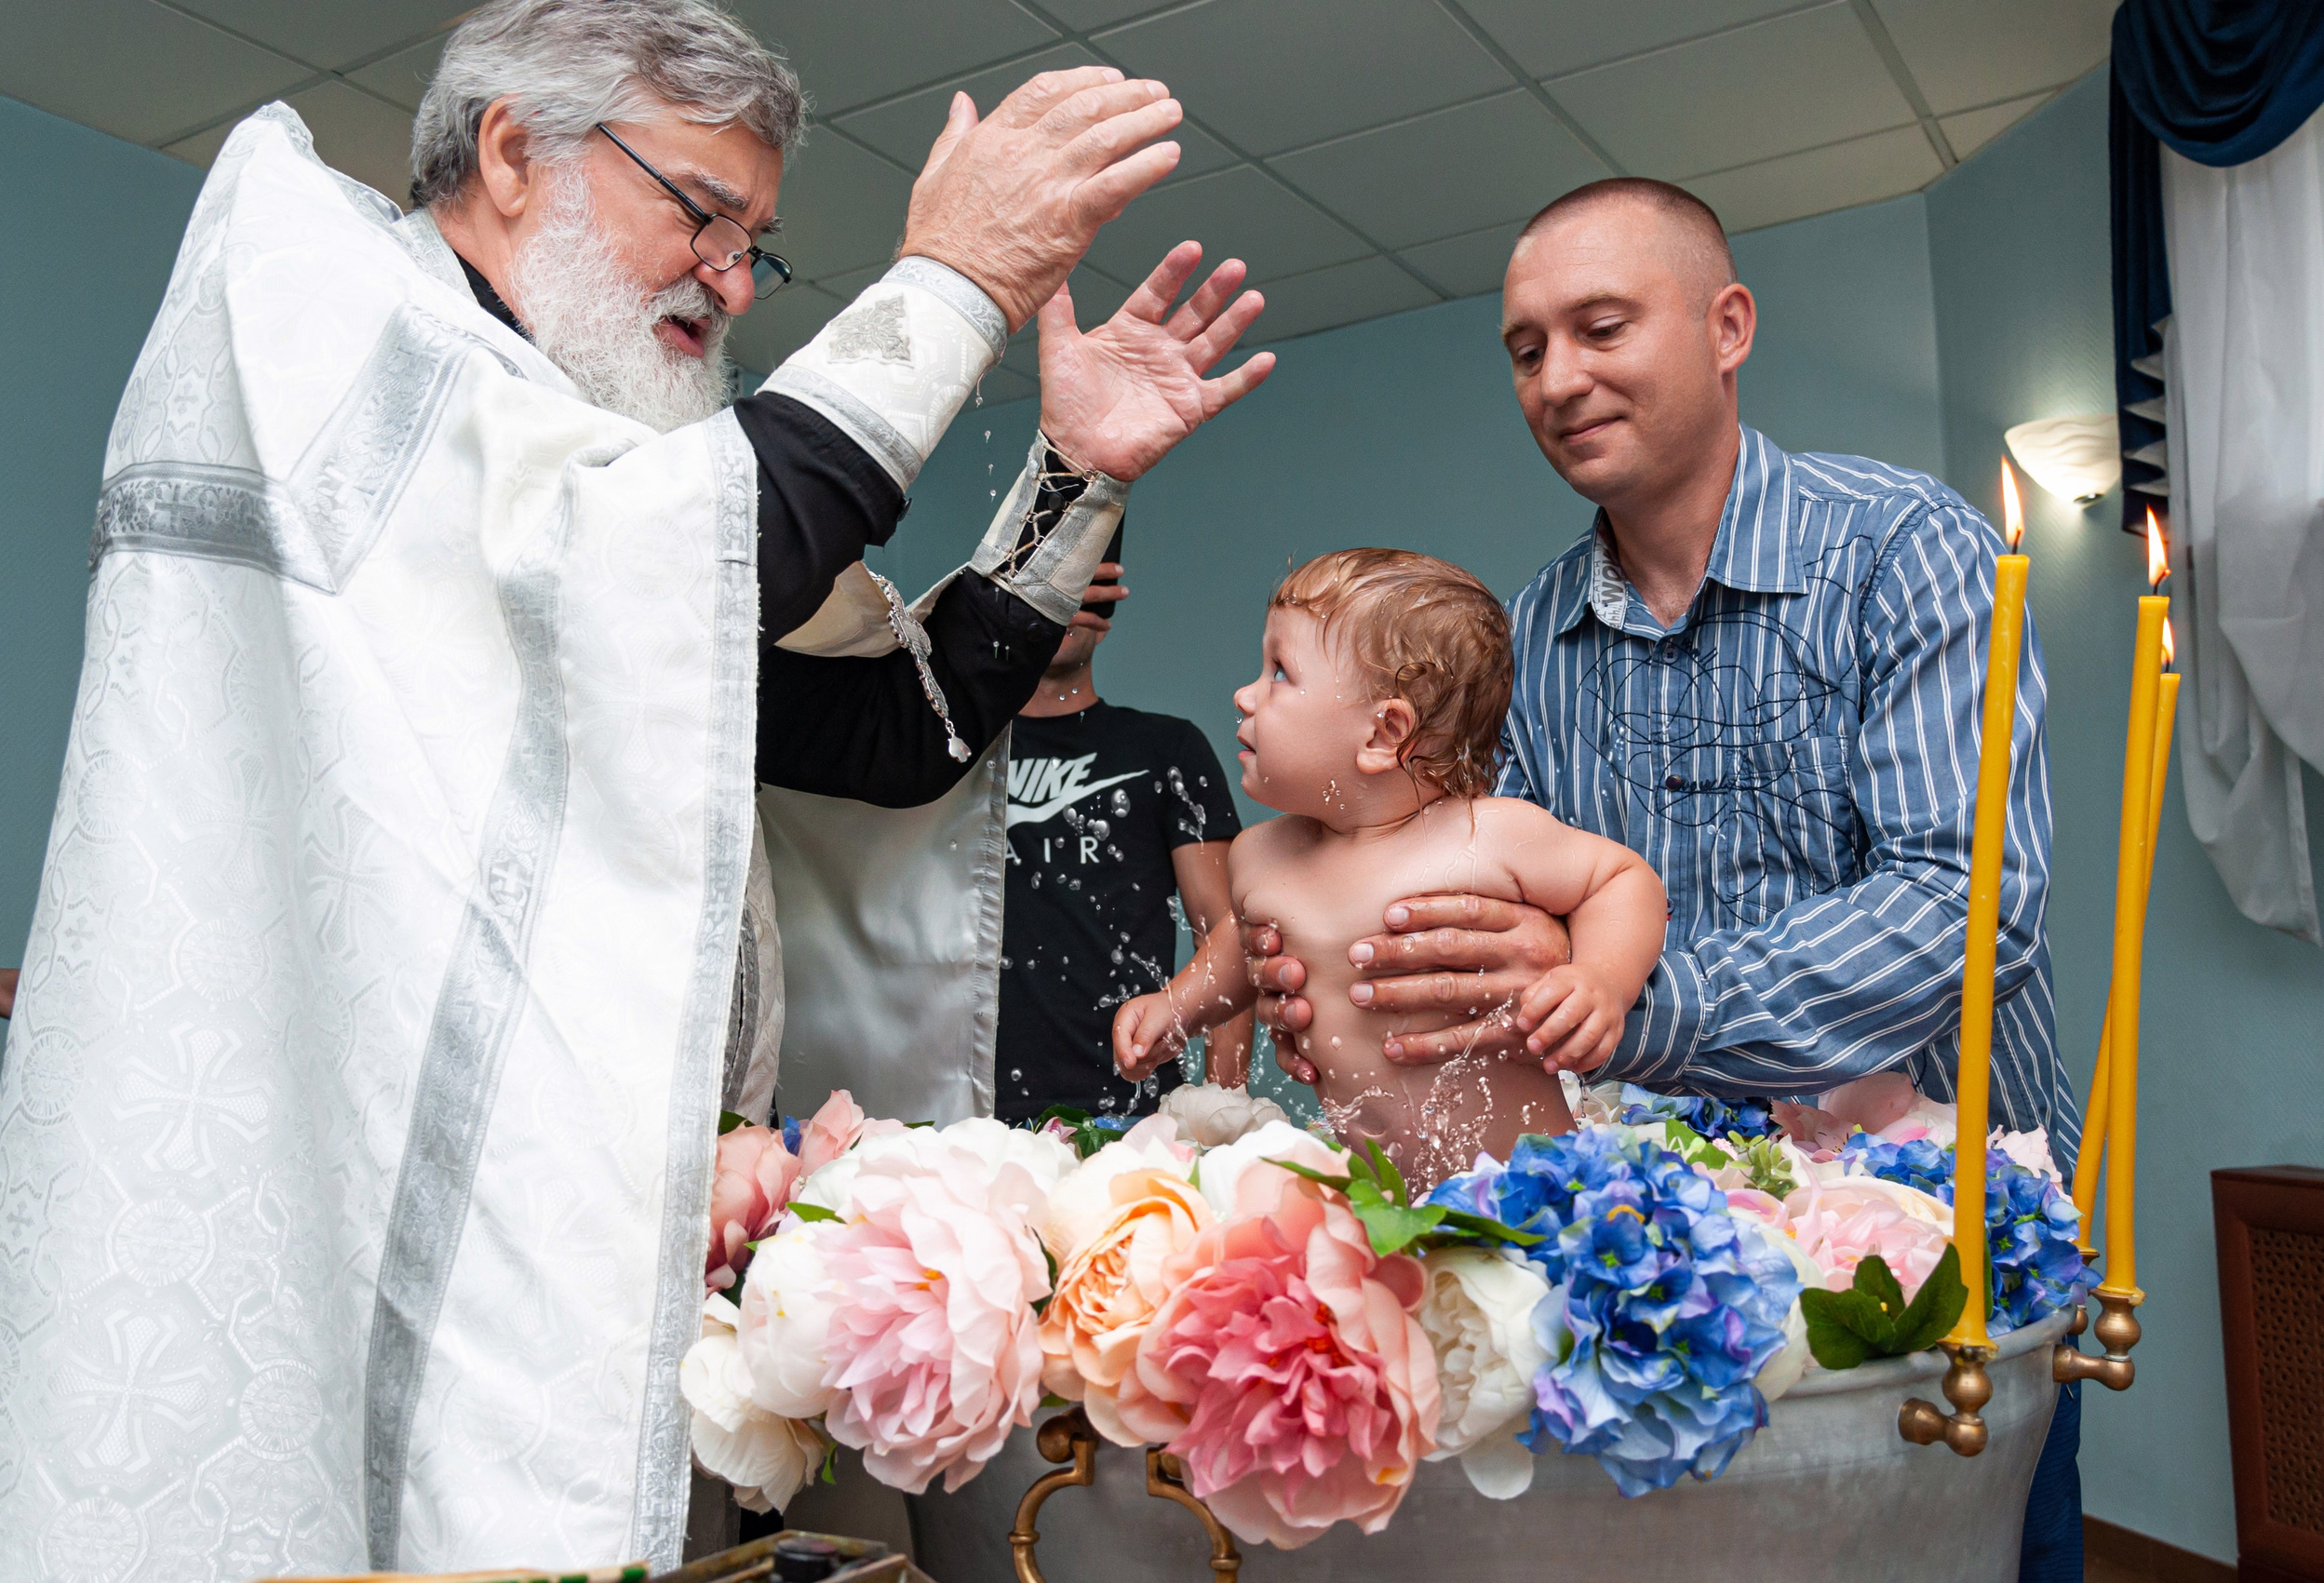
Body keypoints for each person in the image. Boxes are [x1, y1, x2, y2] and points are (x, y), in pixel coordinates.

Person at [0, 1, 1273, 1574]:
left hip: (635, 1252)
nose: (732, 277)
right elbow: (699, 559)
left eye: (758, 241)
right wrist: (955, 280)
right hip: (367, 1236)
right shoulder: (332, 316)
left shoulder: (607, 481)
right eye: (701, 211)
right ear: (514, 148)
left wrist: (1074, 473)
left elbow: (891, 730)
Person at [1244, 179, 2078, 1578]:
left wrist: (1646, 1003)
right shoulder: (1533, 638)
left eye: (1601, 327)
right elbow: (1491, 936)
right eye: (1525, 348)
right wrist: (1345, 982)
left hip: (1925, 1254)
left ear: (1727, 325)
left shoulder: (1906, 549)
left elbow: (1966, 900)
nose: (1559, 379)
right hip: (1664, 1283)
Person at [1115, 549, 1665, 1183]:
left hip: (1531, 1184)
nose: (1245, 694)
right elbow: (1247, 946)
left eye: (1280, 673)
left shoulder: (1489, 834)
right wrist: (1176, 1006)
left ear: (1383, 734)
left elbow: (1622, 881)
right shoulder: (1261, 856)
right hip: (1381, 1197)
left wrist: (1600, 978)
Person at [995, 529, 1254, 1123]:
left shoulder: (1166, 749)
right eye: (1044, 579)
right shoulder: (948, 756)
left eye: (1083, 576)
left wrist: (1220, 1115)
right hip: (967, 1110)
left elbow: (1229, 935)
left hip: (1131, 1112)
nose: (1065, 597)